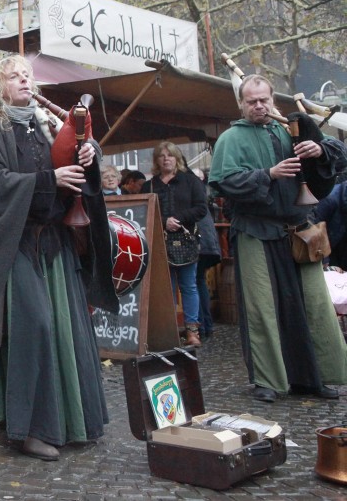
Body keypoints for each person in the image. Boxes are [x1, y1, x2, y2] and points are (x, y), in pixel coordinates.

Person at [0, 54, 108, 462]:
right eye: (14, 76)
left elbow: (77, 165)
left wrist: (87, 155)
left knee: (67, 329)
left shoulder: (48, 126)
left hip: (55, 243)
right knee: (35, 327)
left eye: (27, 75)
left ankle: (70, 421)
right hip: (14, 244)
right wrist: (49, 179)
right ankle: (26, 429)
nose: (24, 80)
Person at [210, 74, 347, 403]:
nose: (259, 106)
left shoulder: (291, 128)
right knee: (262, 307)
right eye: (252, 101)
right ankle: (268, 381)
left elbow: (338, 154)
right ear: (241, 104)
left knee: (314, 305)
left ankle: (315, 378)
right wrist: (267, 175)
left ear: (273, 100)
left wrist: (319, 148)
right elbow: (223, 182)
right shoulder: (230, 138)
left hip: (300, 230)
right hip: (255, 231)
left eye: (264, 100)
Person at [141, 142, 207, 347]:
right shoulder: (149, 186)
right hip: (159, 242)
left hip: (186, 240)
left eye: (169, 155)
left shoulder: (190, 181)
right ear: (156, 160)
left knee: (189, 286)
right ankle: (168, 332)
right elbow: (144, 212)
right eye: (162, 156)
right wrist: (164, 222)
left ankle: (192, 332)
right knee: (165, 289)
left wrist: (178, 218)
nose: (166, 159)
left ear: (176, 158)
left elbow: (201, 208)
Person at [192, 168, 221, 342]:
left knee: (193, 283)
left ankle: (201, 326)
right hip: (207, 243)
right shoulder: (204, 193)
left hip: (197, 243)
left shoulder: (192, 192)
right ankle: (206, 325)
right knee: (199, 281)